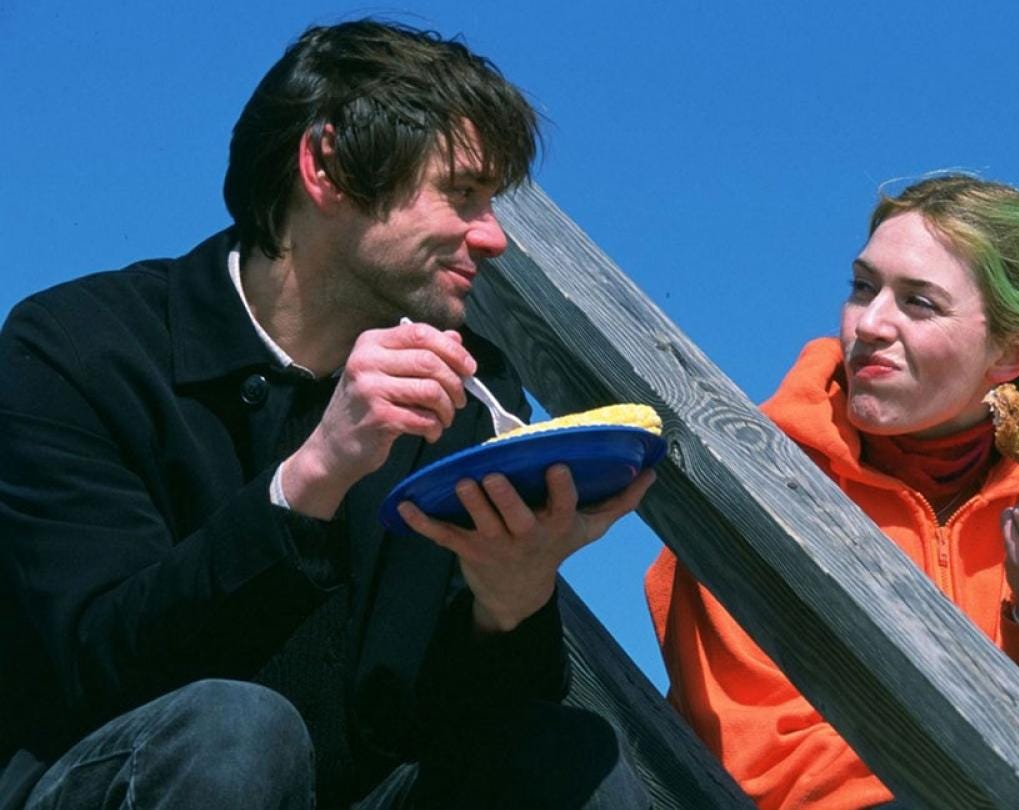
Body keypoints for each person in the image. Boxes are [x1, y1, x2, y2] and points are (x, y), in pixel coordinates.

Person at [0, 20, 655, 810]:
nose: (495, 237)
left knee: (565, 755)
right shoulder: (78, 348)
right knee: (237, 729)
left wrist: (509, 598)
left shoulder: (466, 388)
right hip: (117, 776)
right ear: (328, 166)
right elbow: (93, 672)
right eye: (462, 193)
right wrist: (312, 475)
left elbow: (470, 728)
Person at [646, 174, 1019, 809]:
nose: (869, 324)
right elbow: (761, 760)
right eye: (863, 287)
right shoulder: (749, 473)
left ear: (1011, 351)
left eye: (918, 302)